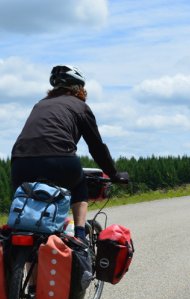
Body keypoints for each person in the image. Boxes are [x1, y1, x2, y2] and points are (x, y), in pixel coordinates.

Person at [11, 65, 128, 241]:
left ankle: (25, 257)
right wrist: (114, 173)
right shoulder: (80, 106)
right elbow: (96, 146)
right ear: (79, 89)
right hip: (59, 159)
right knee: (79, 187)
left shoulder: (40, 105)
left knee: (28, 212)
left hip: (20, 162)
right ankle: (80, 237)